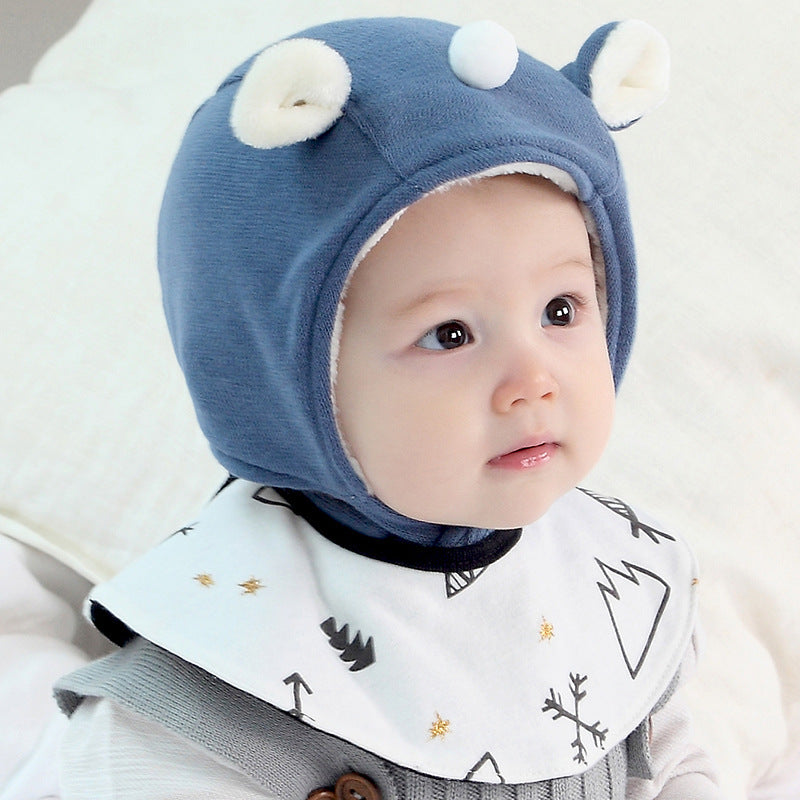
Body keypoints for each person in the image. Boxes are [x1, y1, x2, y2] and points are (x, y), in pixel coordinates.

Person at [55, 16, 723, 799]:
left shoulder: (611, 585)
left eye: (562, 310)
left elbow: (675, 766)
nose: (533, 381)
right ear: (280, 373)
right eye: (450, 334)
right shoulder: (204, 689)